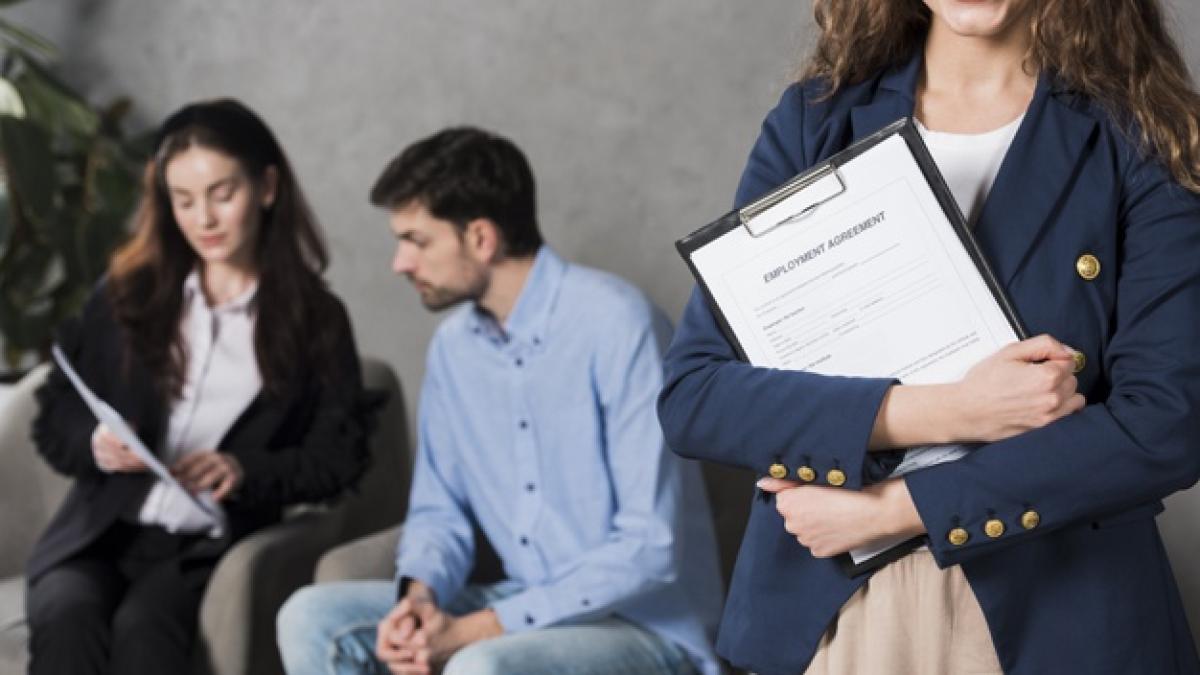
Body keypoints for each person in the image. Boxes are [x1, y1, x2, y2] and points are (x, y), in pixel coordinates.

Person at [658, 1, 1200, 673]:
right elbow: (696, 395)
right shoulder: (816, 118)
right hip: (834, 613)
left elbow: (1166, 423)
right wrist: (957, 409)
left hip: (1057, 612)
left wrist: (898, 508)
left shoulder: (1143, 131)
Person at [277, 126, 723, 675]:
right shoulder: (452, 350)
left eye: (416, 241)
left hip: (644, 627)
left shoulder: (617, 323)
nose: (399, 263)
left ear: (481, 238)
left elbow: (649, 548)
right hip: (520, 601)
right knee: (309, 617)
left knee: (481, 667)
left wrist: (475, 631)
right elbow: (440, 511)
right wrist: (419, 600)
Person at [25, 98, 372, 675]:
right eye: (183, 201)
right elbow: (55, 414)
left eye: (221, 194)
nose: (203, 220)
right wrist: (97, 444)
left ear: (266, 187)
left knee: (145, 632)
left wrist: (244, 471)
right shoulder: (127, 294)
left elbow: (338, 458)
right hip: (100, 534)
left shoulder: (315, 320)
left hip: (204, 550)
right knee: (65, 614)